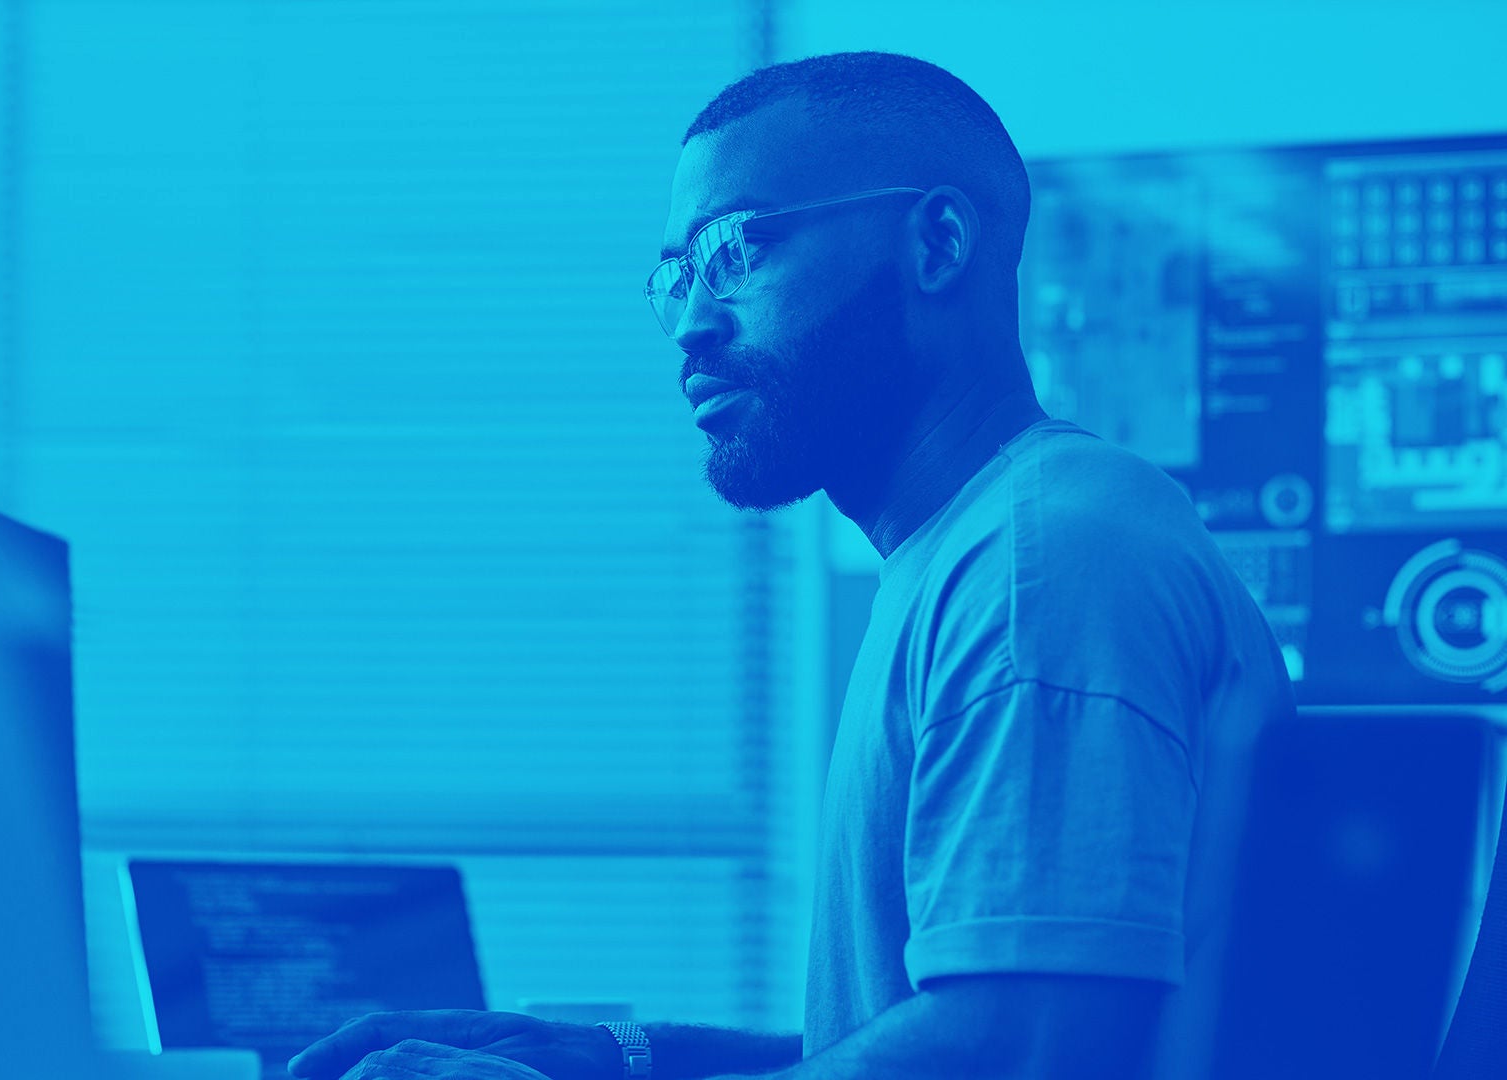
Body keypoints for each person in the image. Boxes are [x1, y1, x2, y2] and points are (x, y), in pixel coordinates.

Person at [288, 51, 1293, 1080]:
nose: (690, 324)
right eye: (677, 276)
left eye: (740, 249)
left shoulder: (1044, 563)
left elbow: (1021, 1055)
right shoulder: (983, 545)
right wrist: (614, 1057)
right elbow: (922, 1036)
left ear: (938, 242)